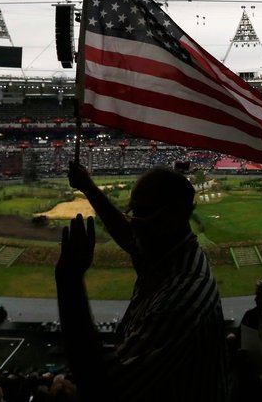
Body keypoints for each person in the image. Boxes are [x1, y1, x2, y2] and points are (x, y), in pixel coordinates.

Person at [57, 162, 227, 401]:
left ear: (173, 215)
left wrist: (69, 281)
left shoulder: (183, 295)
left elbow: (101, 384)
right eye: (132, 211)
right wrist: (87, 185)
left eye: (141, 213)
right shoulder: (166, 250)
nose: (133, 221)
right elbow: (128, 235)